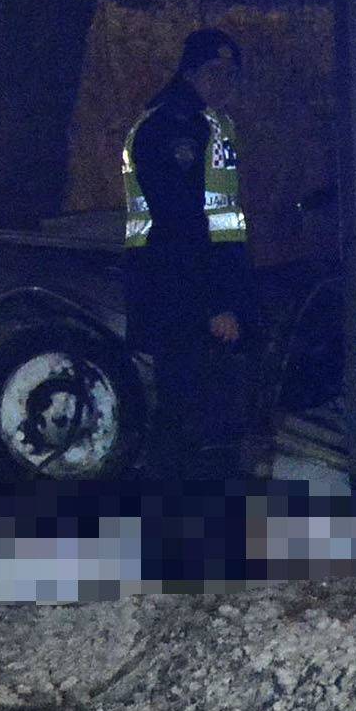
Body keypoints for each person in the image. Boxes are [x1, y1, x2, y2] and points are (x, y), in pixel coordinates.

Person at [122, 28, 253, 483]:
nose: (224, 84)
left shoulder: (208, 125)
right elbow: (180, 222)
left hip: (182, 289)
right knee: (189, 416)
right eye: (215, 73)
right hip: (179, 292)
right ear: (190, 72)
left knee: (191, 415)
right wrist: (215, 304)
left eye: (232, 75)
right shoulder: (173, 128)